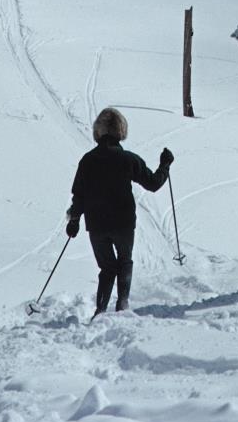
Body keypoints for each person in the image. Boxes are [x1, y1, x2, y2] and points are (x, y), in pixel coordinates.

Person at [66, 107, 174, 315]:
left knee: (107, 268)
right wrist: (165, 165)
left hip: (96, 224)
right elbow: (153, 183)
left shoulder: (88, 160)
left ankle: (101, 310)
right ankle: (122, 305)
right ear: (120, 131)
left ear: (98, 131)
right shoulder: (128, 160)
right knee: (125, 261)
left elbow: (79, 195)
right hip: (123, 222)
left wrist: (74, 220)